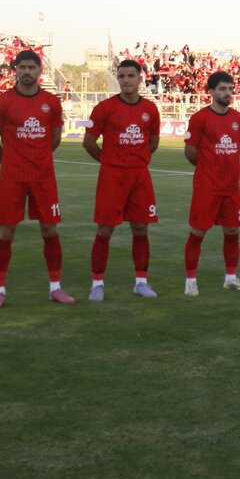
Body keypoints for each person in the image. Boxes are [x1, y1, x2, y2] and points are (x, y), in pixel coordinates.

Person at [0, 49, 73, 308]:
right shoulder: (2, 102)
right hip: (12, 178)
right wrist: (10, 164)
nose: (26, 72)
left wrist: (38, 159)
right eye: (22, 67)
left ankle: (55, 288)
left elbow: (55, 139)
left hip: (43, 177)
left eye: (31, 67)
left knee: (50, 229)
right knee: (6, 231)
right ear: (15, 70)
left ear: (39, 71)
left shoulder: (51, 102)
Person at [82, 58, 160, 301]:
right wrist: (109, 161)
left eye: (130, 76)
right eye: (122, 76)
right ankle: (97, 284)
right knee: (105, 229)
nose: (126, 80)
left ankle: (141, 282)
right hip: (112, 176)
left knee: (141, 228)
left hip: (140, 176)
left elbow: (153, 142)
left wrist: (136, 159)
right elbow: (89, 143)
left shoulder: (150, 109)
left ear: (140, 78)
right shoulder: (104, 108)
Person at [183, 71, 240, 294]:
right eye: (222, 89)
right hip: (207, 186)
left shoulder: (237, 118)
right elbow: (190, 151)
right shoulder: (200, 118)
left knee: (232, 231)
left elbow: (239, 146)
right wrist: (208, 168)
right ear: (211, 91)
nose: (227, 93)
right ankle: (190, 281)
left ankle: (231, 278)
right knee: (198, 232)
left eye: (230, 89)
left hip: (231, 186)